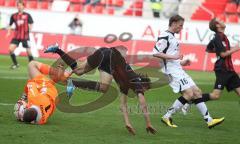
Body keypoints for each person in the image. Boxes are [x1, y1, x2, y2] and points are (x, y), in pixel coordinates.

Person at [44, 44, 157, 135]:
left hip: (103, 51)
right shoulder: (136, 81)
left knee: (78, 71)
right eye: (145, 90)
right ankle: (73, 83)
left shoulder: (126, 85)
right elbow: (142, 102)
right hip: (110, 57)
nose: (143, 92)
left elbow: (123, 104)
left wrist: (127, 123)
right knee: (104, 87)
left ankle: (58, 50)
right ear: (144, 85)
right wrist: (148, 123)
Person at [152, 14, 224, 129]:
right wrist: (175, 57)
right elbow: (155, 52)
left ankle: (209, 120)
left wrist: (181, 62)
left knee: (197, 92)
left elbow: (171, 58)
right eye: (180, 25)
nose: (181, 28)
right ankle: (167, 116)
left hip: (177, 69)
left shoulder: (172, 37)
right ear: (174, 23)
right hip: (171, 72)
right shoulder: (164, 36)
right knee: (189, 94)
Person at [202, 18, 240, 102]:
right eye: (221, 21)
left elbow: (208, 49)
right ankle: (191, 99)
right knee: (216, 95)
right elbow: (223, 54)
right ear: (217, 25)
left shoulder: (223, 36)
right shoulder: (217, 38)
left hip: (230, 70)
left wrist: (218, 51)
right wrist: (236, 48)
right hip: (222, 70)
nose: (223, 21)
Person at [6, 0, 34, 69]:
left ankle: (33, 66)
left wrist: (30, 29)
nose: (19, 7)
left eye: (20, 5)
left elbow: (31, 23)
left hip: (25, 36)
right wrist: (8, 32)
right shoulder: (14, 16)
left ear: (23, 6)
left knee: (29, 52)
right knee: (10, 49)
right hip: (17, 36)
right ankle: (16, 64)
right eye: (18, 5)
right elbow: (10, 25)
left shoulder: (27, 15)